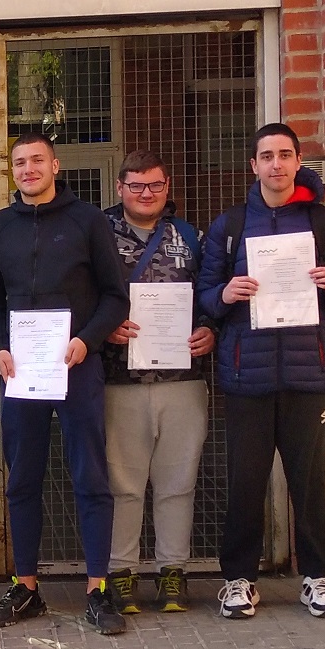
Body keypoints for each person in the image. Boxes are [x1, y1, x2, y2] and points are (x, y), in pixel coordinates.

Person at [0, 133, 130, 635]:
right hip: (20, 371)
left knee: (90, 478)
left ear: (55, 165)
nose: (28, 169)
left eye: (37, 160)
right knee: (22, 478)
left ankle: (98, 589)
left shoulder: (88, 221)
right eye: (19, 162)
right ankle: (26, 587)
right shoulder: (0, 226)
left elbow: (115, 296)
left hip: (77, 366)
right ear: (12, 170)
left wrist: (88, 340)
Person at [197, 122, 325, 620]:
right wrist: (226, 293)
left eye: (285, 155)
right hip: (246, 377)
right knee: (245, 483)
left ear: (297, 162)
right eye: (267, 156)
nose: (276, 164)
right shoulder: (231, 225)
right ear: (253, 165)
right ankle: (239, 579)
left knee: (312, 483)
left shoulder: (320, 221)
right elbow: (205, 294)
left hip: (308, 375)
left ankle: (317, 576)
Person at [102, 151, 215, 613]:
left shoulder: (191, 237)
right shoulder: (98, 234)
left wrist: (210, 328)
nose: (145, 193)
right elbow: (81, 293)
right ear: (120, 188)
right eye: (136, 185)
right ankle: (120, 572)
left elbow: (211, 292)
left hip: (182, 380)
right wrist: (103, 327)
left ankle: (173, 571)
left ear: (167, 188)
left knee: (178, 481)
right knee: (123, 484)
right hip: (119, 380)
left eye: (154, 185)